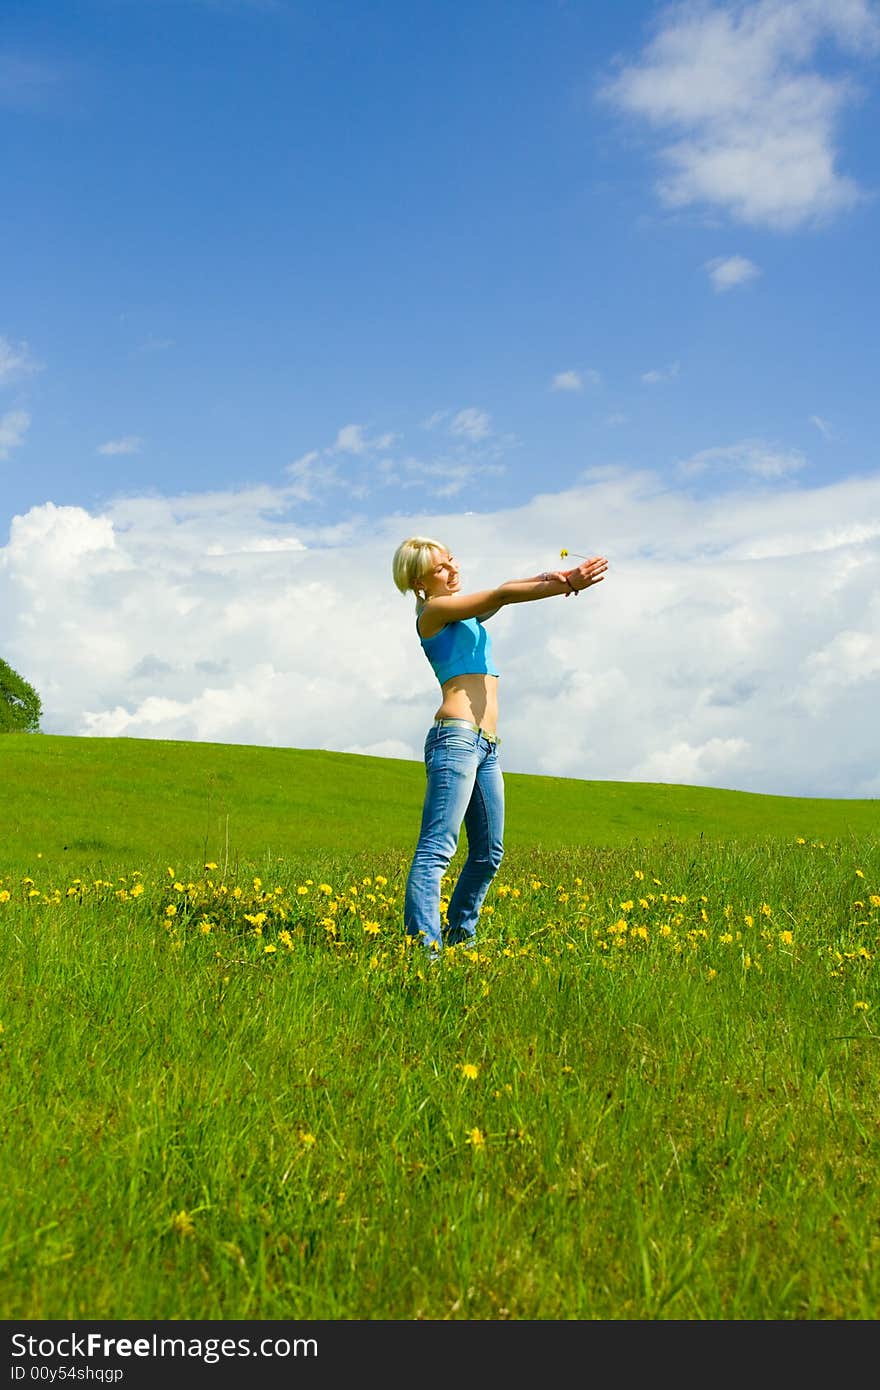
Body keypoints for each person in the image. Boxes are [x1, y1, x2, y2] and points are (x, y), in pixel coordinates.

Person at [392, 536, 608, 958]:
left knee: (489, 854)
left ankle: (460, 939)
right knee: (437, 849)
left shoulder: (466, 616)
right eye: (441, 568)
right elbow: (502, 593)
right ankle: (424, 952)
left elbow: (501, 597)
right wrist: (567, 585)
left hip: (487, 745)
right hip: (455, 739)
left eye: (451, 560)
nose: (453, 569)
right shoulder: (432, 614)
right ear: (419, 581)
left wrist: (555, 577)